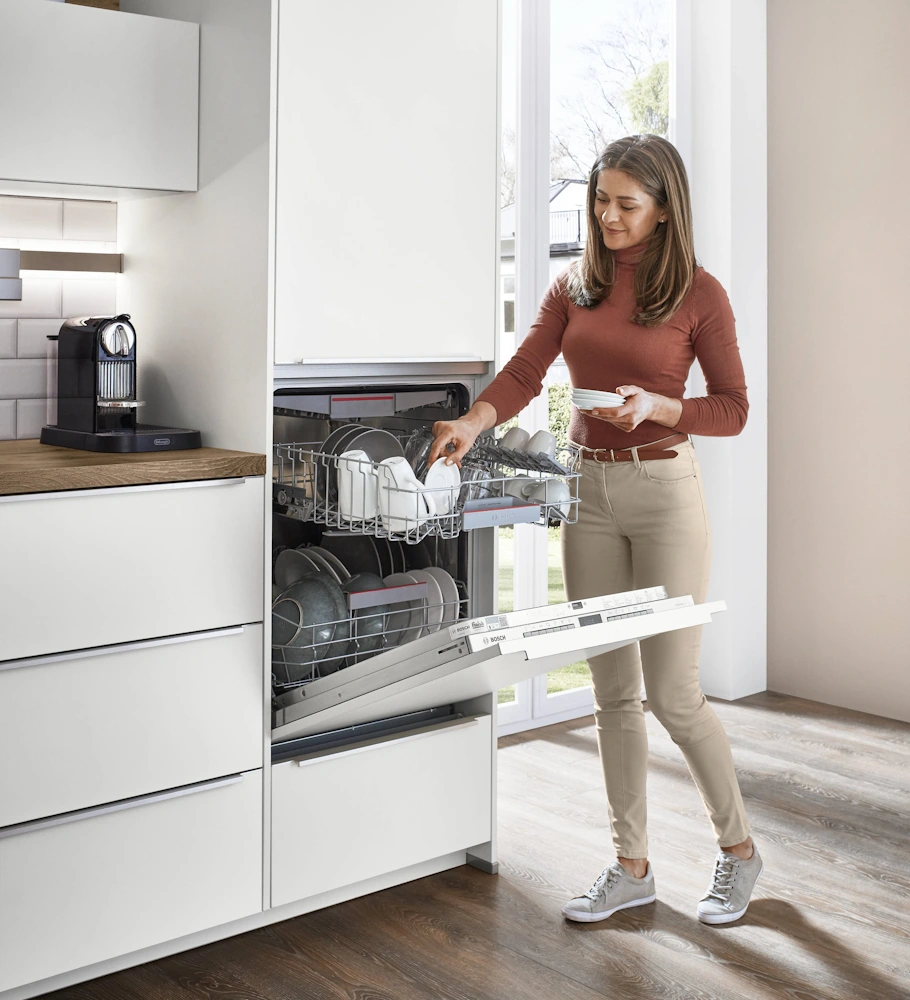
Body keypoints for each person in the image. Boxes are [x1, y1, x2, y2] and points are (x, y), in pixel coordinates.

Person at [427, 134, 762, 926]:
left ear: (665, 209)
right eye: (601, 200)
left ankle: (739, 850)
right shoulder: (575, 284)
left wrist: (662, 406)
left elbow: (734, 409)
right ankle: (631, 866)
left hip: (664, 491)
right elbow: (525, 371)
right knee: (613, 691)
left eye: (627, 204)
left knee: (674, 693)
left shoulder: (700, 293)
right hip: (588, 493)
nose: (609, 217)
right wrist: (473, 421)